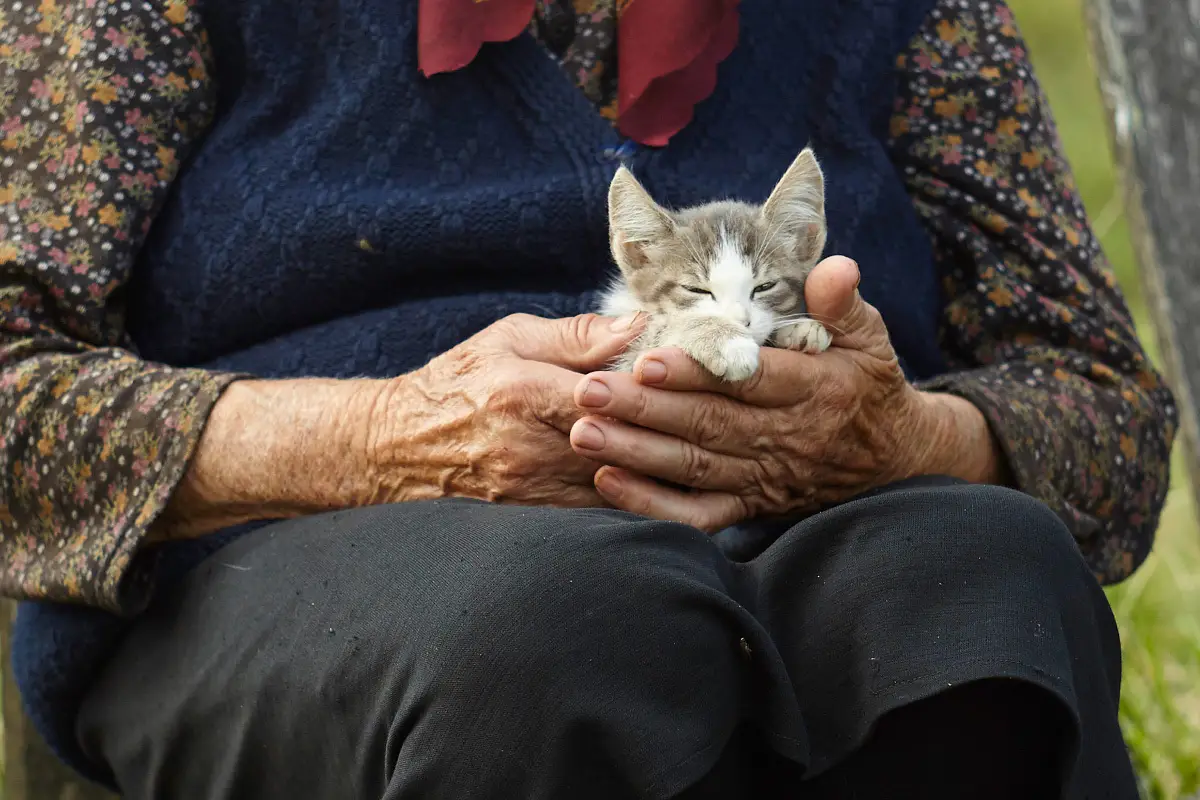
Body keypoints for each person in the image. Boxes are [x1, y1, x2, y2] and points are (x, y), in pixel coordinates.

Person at [0, 0, 1176, 796]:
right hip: (282, 556)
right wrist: (385, 437)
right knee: (569, 623)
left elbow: (1104, 406)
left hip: (811, 529)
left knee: (980, 579)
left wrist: (905, 435)